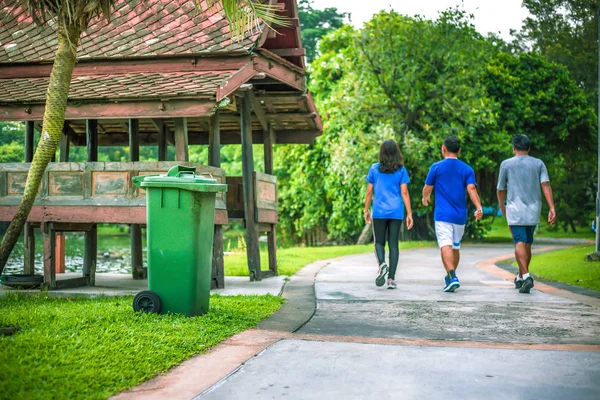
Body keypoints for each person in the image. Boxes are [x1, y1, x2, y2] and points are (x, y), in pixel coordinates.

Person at [422, 136, 483, 292]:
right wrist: (478, 207)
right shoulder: (467, 169)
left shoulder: (436, 167)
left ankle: (452, 275)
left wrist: (425, 197)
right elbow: (471, 189)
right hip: (459, 216)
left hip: (442, 215)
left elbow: (427, 188)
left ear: (443, 148)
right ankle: (451, 277)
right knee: (455, 246)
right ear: (459, 151)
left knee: (445, 244)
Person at [497, 134, 556, 294]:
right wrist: (552, 207)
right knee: (527, 243)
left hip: (515, 210)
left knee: (519, 242)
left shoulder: (506, 164)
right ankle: (521, 276)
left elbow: (501, 189)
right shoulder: (538, 163)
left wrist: (502, 206)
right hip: (533, 210)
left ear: (514, 148)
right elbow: (545, 184)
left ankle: (527, 276)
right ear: (529, 148)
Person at [364, 139, 413, 289]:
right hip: (396, 211)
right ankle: (391, 279)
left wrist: (366, 210)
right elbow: (404, 192)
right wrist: (409, 213)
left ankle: (382, 264)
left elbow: (369, 192)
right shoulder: (401, 170)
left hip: (379, 211)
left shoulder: (374, 169)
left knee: (379, 242)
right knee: (393, 244)